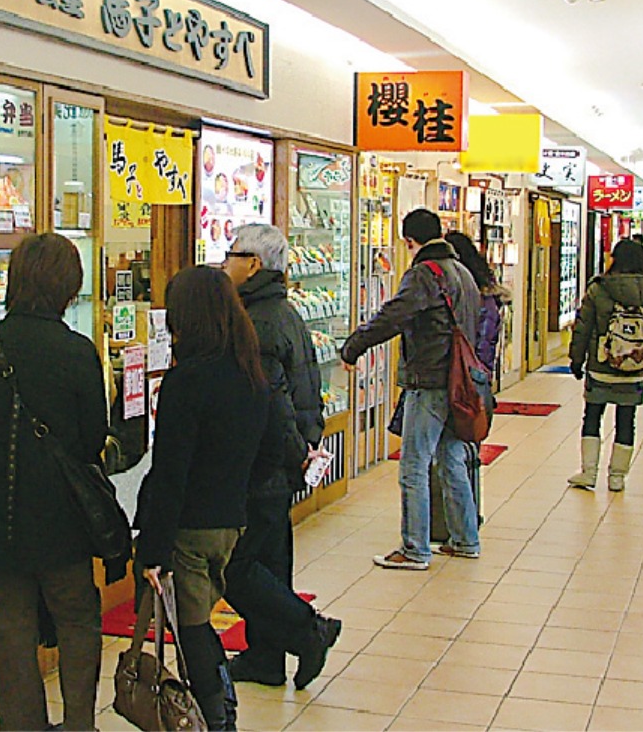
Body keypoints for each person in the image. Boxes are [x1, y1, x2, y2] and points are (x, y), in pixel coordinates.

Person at [0, 233, 109, 732]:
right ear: (68, 286)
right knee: (77, 618)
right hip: (60, 514)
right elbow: (91, 438)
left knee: (11, 626)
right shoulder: (76, 350)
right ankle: (80, 723)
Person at [134, 266, 271, 731]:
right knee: (198, 620)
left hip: (190, 527)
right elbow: (270, 453)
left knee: (192, 629)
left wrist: (150, 548)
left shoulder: (186, 382)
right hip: (231, 520)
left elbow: (171, 474)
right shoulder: (249, 372)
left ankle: (219, 716)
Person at [220, 224, 342, 690]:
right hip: (284, 461)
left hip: (263, 463)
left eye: (231, 255)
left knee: (236, 566)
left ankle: (309, 630)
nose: (224, 263)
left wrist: (295, 453)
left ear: (252, 264)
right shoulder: (278, 310)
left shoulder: (257, 322)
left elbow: (273, 406)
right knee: (270, 563)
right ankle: (265, 659)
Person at [340, 208, 482, 570]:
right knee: (451, 460)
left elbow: (394, 316)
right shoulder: (463, 273)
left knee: (414, 465)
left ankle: (415, 548)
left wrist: (354, 346)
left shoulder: (425, 274)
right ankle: (466, 539)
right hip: (460, 383)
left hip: (430, 380)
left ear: (409, 241)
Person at [567, 239, 643, 492]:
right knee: (626, 420)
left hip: (601, 364)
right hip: (634, 367)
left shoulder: (599, 289)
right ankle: (617, 477)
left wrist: (576, 360)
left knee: (592, 416)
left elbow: (582, 328)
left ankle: (589, 473)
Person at [445, 230, 512, 373]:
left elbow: (483, 346)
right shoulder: (484, 296)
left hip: (468, 376)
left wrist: (477, 376)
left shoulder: (480, 298)